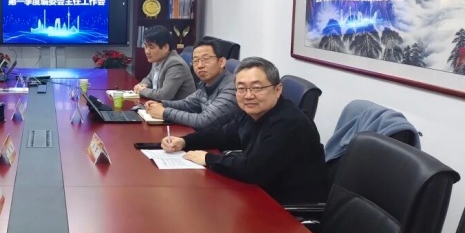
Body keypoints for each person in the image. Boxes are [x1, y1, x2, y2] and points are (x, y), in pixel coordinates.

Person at [160, 57, 326, 205]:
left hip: (283, 208)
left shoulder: (289, 123)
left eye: (257, 88)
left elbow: (253, 169)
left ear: (278, 90)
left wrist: (208, 158)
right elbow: (223, 135)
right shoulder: (252, 112)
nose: (248, 95)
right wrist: (185, 141)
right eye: (241, 88)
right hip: (257, 193)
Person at [144, 37, 238, 129]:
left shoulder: (232, 87)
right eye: (196, 61)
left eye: (206, 59)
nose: (200, 66)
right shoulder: (205, 83)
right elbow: (187, 104)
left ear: (221, 62)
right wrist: (162, 104)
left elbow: (204, 120)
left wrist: (164, 112)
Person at [133, 25, 195, 101]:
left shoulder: (175, 64)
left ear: (165, 48)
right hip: (161, 105)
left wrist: (142, 90)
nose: (147, 51)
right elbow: (149, 79)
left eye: (151, 47)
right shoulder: (157, 59)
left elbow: (164, 95)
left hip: (177, 107)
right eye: (145, 46)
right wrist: (142, 85)